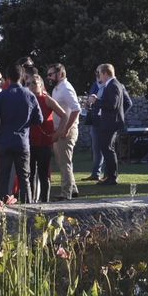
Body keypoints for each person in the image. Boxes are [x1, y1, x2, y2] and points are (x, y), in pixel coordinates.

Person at [0, 64, 43, 203]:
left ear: (7, 79)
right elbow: (39, 119)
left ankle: (2, 208)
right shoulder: (29, 95)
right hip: (22, 141)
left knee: (4, 178)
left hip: (5, 140)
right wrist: (25, 124)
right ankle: (28, 208)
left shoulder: (1, 96)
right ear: (22, 77)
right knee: (24, 178)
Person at [87, 63, 132, 186]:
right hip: (106, 122)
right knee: (106, 149)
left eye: (99, 73)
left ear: (105, 73)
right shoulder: (110, 85)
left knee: (108, 149)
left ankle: (112, 177)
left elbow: (112, 105)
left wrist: (96, 101)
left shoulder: (114, 85)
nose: (99, 76)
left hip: (110, 123)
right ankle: (109, 176)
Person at [27, 74, 67, 203]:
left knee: (44, 174)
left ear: (41, 85)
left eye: (34, 83)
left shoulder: (46, 99)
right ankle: (31, 201)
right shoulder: (26, 99)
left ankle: (45, 201)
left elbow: (64, 116)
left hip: (44, 141)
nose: (31, 86)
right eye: (28, 83)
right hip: (29, 142)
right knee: (30, 174)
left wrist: (58, 132)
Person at [48, 63, 81, 200]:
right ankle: (72, 189)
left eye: (51, 74)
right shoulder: (57, 88)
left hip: (66, 130)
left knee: (64, 162)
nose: (48, 77)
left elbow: (76, 109)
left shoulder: (66, 88)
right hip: (60, 129)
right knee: (65, 161)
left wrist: (65, 128)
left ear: (60, 74)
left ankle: (66, 193)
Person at [83, 68, 105, 181]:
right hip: (95, 120)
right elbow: (90, 99)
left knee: (105, 148)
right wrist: (88, 104)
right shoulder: (94, 85)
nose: (98, 76)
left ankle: (107, 174)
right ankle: (96, 173)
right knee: (96, 148)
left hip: (105, 120)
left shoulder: (108, 86)